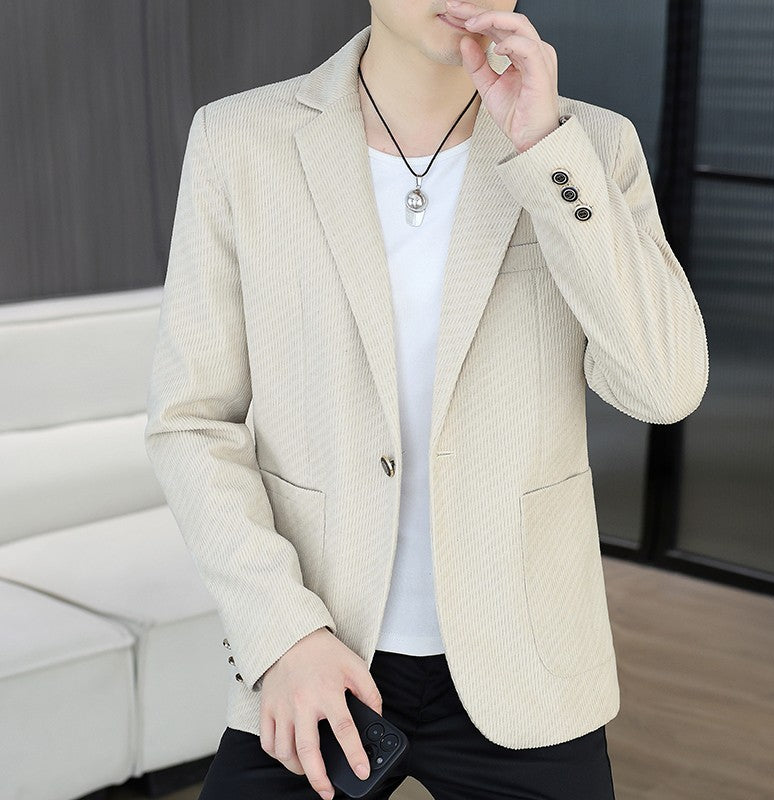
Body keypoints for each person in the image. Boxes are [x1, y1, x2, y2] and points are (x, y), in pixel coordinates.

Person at [145, 1, 709, 799]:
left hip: (527, 666)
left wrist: (546, 152)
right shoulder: (239, 140)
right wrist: (284, 634)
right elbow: (192, 421)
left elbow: (664, 387)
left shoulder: (588, 145)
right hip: (317, 657)